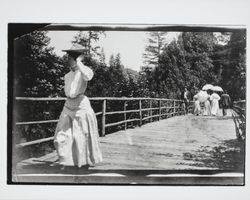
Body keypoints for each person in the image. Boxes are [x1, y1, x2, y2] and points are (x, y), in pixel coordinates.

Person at [54, 44, 103, 168]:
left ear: (76, 59)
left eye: (69, 58)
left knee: (81, 136)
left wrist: (79, 62)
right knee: (61, 135)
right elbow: (69, 92)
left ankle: (82, 162)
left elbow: (88, 76)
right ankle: (65, 160)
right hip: (68, 105)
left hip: (81, 106)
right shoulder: (67, 75)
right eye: (68, 58)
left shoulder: (85, 71)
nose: (67, 61)